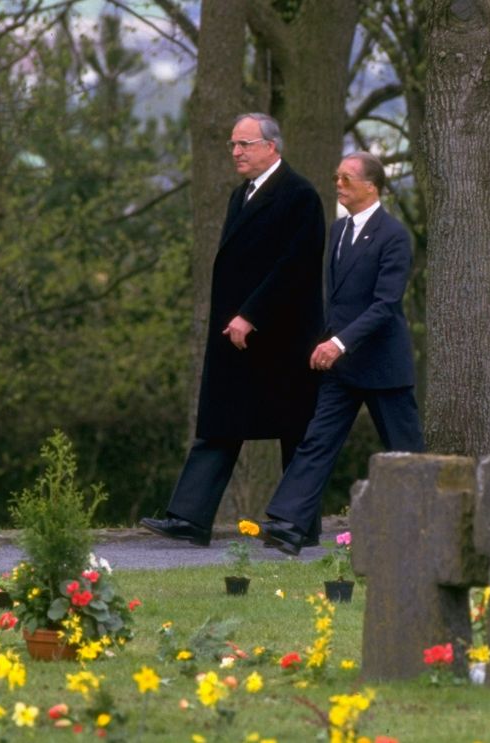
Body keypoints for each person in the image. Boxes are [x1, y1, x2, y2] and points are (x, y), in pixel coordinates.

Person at [141, 112, 325, 547]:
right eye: (233, 145)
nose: (236, 152)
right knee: (221, 422)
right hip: (237, 335)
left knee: (295, 429)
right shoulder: (240, 194)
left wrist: (251, 314)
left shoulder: (299, 195)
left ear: (271, 147)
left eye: (245, 144)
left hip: (282, 335)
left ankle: (299, 525)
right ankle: (190, 518)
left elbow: (295, 266)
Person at [254, 152, 424, 555]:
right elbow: (337, 299)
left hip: (382, 367)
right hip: (341, 367)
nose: (338, 185)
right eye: (336, 177)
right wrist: (326, 342)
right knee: (317, 441)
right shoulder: (339, 230)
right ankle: (290, 525)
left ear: (371, 186)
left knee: (407, 453)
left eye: (347, 178)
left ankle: (427, 523)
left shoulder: (394, 235)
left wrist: (339, 343)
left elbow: (385, 305)